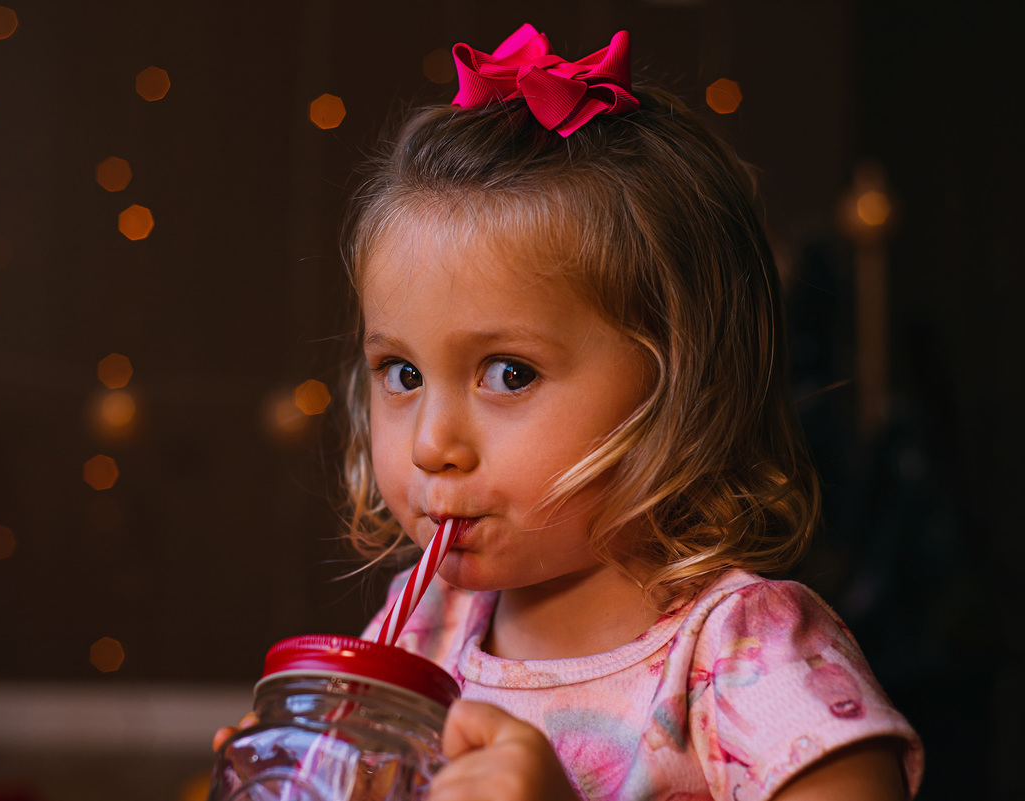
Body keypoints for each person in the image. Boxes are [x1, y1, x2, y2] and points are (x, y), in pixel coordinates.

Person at [218, 23, 923, 801]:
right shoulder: (425, 625)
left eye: (508, 372)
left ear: (681, 385)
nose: (431, 444)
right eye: (402, 372)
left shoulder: (744, 653)